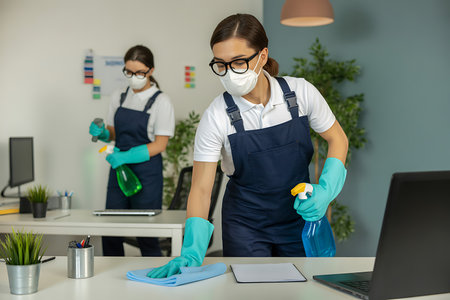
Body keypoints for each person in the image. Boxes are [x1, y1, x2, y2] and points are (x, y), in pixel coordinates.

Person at [148, 13, 348, 278]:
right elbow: (201, 188)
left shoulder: (301, 93)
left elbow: (338, 139)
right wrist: (192, 251)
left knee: (303, 289)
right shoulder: (216, 115)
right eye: (221, 64)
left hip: (299, 220)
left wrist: (326, 189)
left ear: (262, 56)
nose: (230, 73)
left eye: (239, 62)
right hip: (246, 226)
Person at [89, 45, 175, 256]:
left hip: (147, 175)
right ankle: (111, 281)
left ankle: (156, 283)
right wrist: (102, 134)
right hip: (119, 172)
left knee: (146, 235)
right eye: (129, 71)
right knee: (110, 231)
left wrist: (126, 156)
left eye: (139, 73)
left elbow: (160, 144)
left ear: (150, 71)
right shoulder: (119, 96)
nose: (133, 77)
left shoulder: (161, 102)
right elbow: (114, 133)